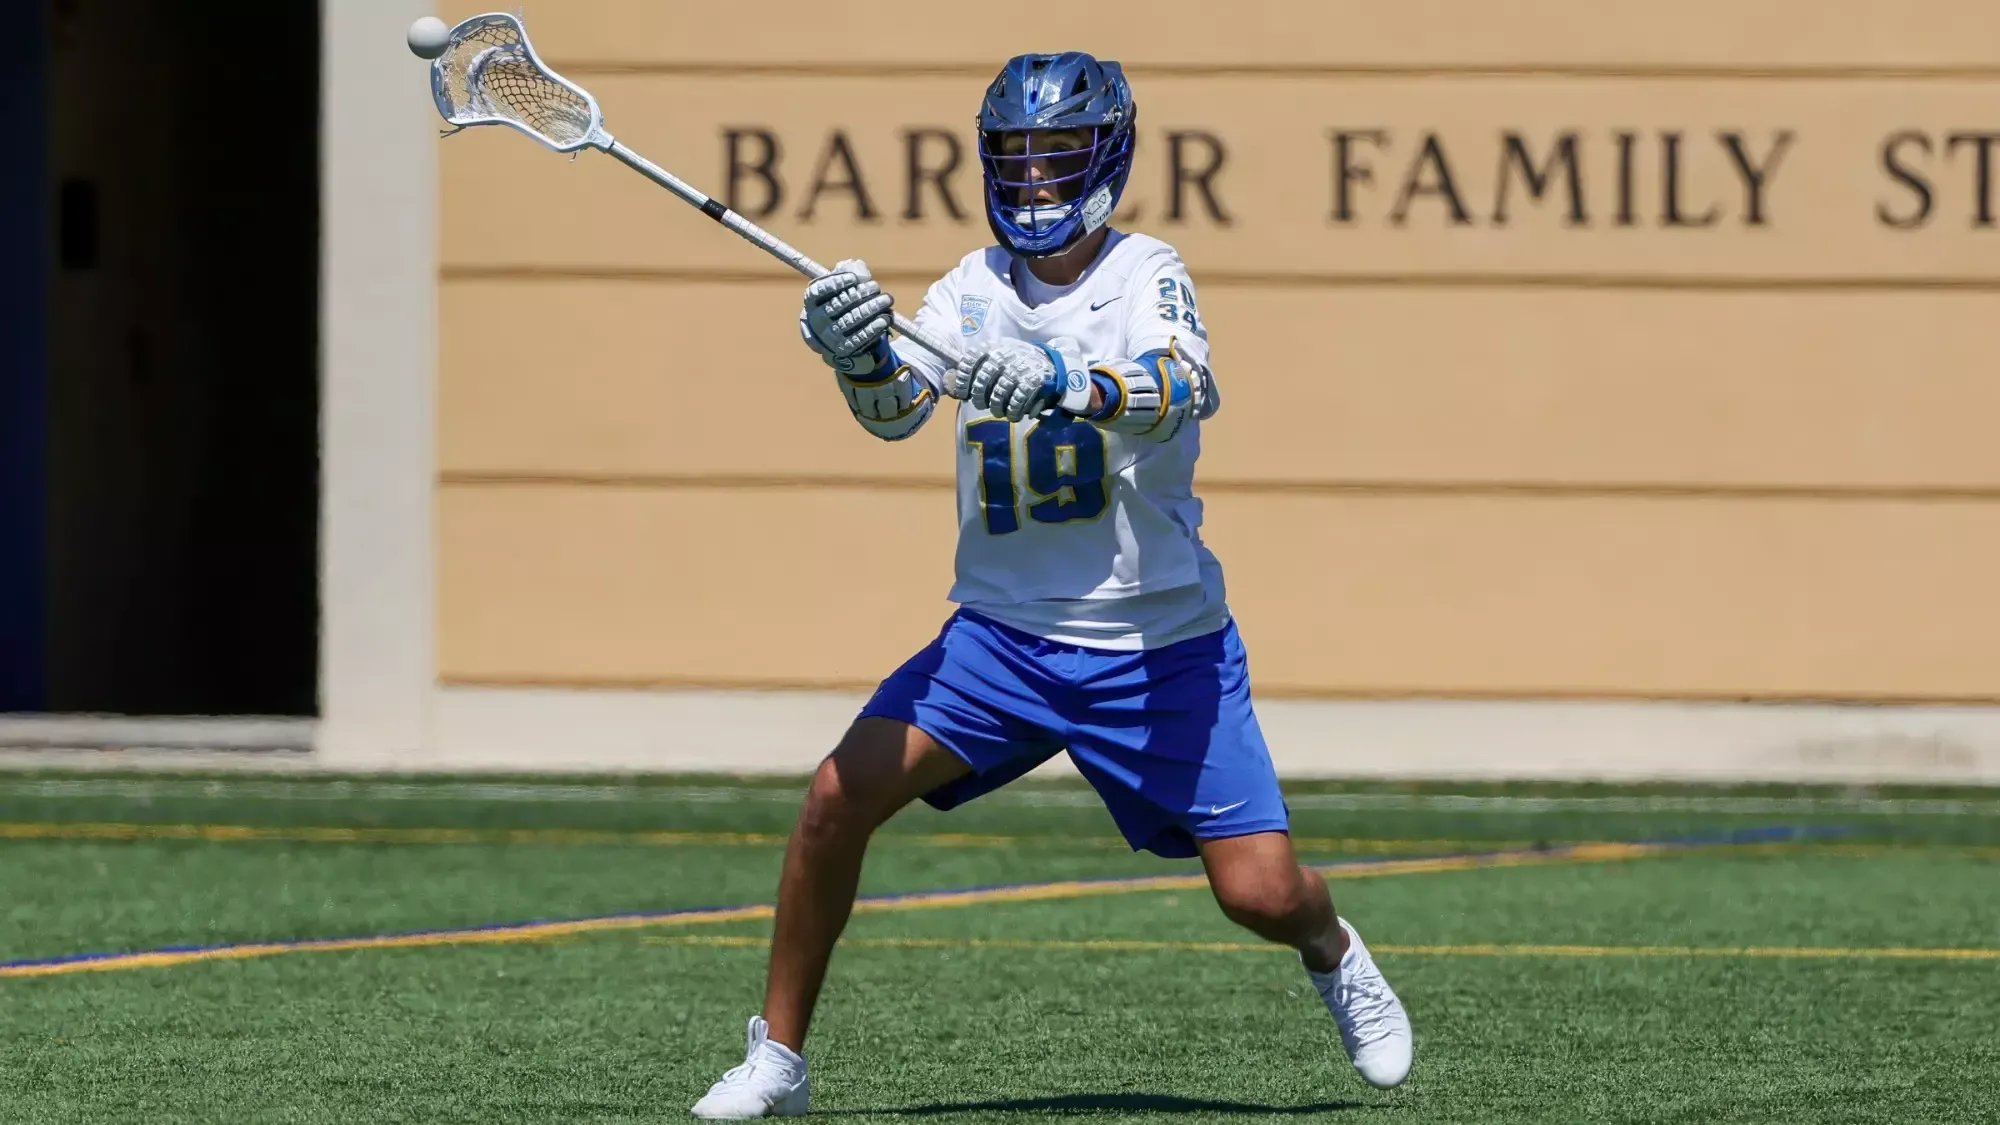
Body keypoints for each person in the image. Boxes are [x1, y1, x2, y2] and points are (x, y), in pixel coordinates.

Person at [691, 52, 1412, 1120]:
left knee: (1258, 893)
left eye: (1057, 157)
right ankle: (777, 1062)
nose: (1033, 183)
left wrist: (1068, 382)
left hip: (1156, 645)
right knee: (834, 802)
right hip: (1001, 641)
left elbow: (1181, 388)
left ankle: (1329, 945)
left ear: (1106, 156)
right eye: (1014, 160)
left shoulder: (1145, 272)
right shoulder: (967, 288)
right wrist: (852, 361)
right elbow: (895, 412)